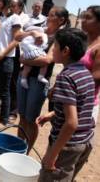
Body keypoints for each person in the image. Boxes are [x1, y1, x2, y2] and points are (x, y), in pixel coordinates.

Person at [37, 28, 94, 182]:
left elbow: (71, 123)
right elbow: (81, 108)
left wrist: (52, 154)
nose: (52, 50)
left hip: (68, 146)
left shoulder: (66, 77)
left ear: (65, 51)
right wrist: (53, 114)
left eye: (54, 46)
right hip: (85, 141)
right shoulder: (85, 73)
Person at [16, 6, 70, 153]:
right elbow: (18, 37)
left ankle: (26, 152)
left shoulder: (59, 36)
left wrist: (25, 60)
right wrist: (32, 33)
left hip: (38, 82)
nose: (48, 17)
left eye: (52, 15)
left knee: (31, 119)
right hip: (24, 76)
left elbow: (47, 60)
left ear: (61, 20)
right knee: (22, 117)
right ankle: (19, 147)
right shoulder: (39, 30)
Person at [0, 0, 23, 125]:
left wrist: (2, 55)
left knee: (4, 91)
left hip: (6, 59)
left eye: (0, 2)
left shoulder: (15, 18)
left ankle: (4, 121)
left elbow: (16, 40)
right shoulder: (1, 17)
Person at [19, 1, 48, 89]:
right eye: (35, 6)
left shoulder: (45, 19)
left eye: (39, 7)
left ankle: (41, 76)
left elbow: (46, 30)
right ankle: (23, 79)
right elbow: (21, 30)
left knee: (43, 58)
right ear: (32, 7)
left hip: (39, 42)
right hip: (28, 41)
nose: (37, 8)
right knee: (27, 60)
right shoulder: (26, 17)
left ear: (42, 8)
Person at [81, 5, 100, 123]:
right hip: (70, 99)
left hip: (86, 103)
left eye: (88, 18)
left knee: (79, 140)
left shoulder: (98, 48)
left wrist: (71, 86)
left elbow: (96, 78)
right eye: (83, 17)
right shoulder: (81, 41)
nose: (83, 20)